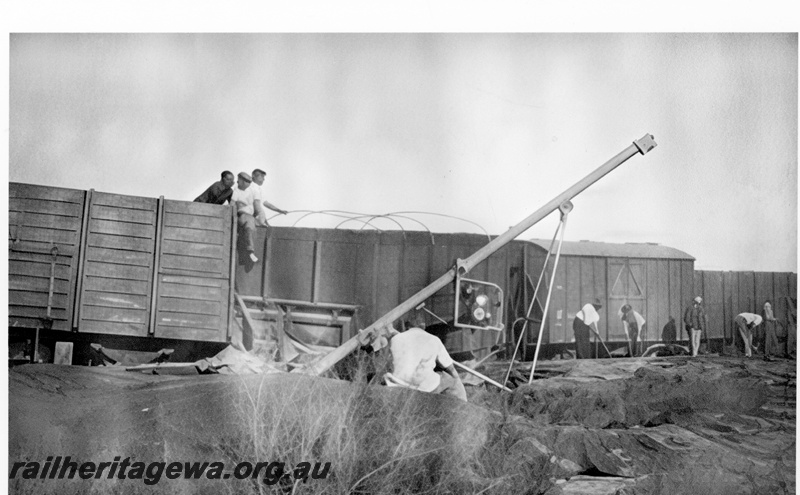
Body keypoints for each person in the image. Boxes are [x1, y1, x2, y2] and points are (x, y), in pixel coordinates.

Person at [382, 327, 467, 402]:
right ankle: (464, 408)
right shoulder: (434, 339)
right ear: (423, 327)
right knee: (452, 381)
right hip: (423, 388)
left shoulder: (396, 338)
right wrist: (458, 381)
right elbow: (451, 369)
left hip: (396, 383)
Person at [230, 172, 264, 263]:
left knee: (250, 227)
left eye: (239, 180)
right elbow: (232, 205)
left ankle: (250, 251)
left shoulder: (250, 191)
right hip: (243, 215)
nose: (237, 182)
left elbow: (257, 207)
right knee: (249, 227)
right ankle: (250, 251)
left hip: (249, 216)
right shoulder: (237, 191)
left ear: (245, 182)